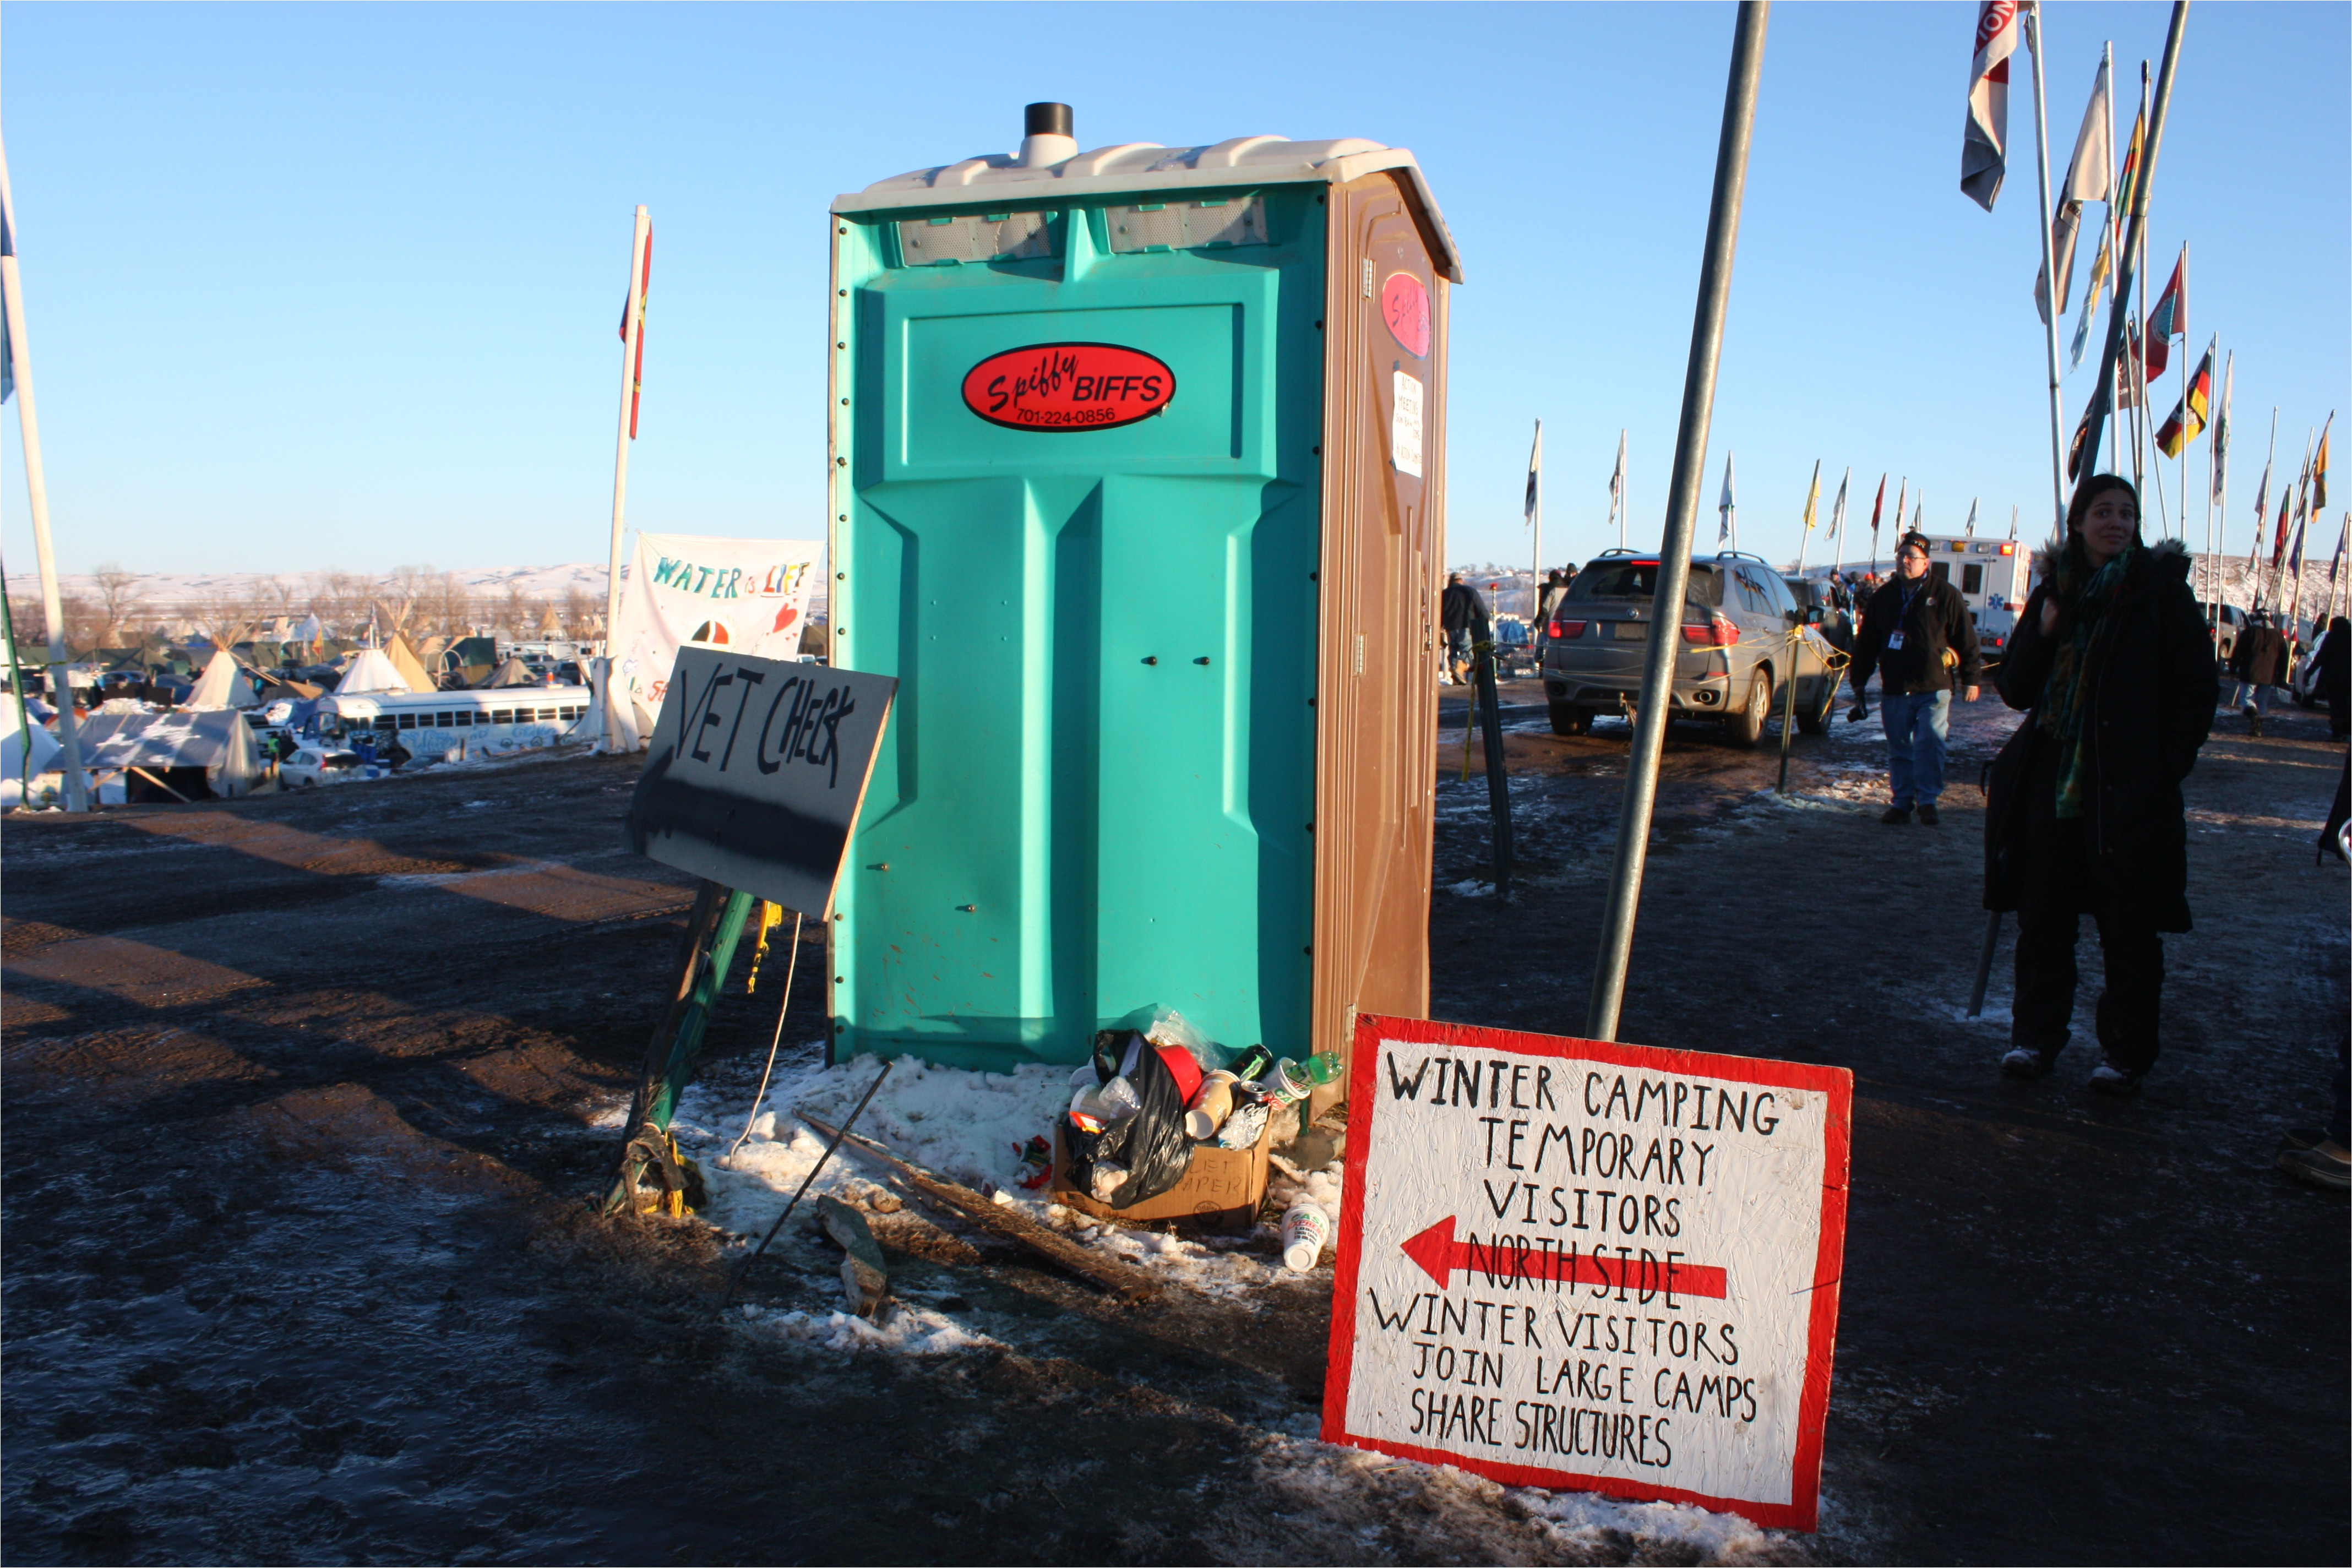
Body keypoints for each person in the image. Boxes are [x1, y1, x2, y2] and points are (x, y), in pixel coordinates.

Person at [1983, 475, 2217, 1097]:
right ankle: (2034, 1039)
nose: (2116, 523)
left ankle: (2126, 1053)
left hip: (2129, 790)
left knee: (2128, 926)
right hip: (2052, 783)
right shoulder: (2055, 592)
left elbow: (2197, 688)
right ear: (2079, 521)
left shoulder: (2161, 594)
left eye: (2126, 513)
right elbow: (2016, 689)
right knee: (2043, 919)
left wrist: (2166, 764)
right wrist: (2044, 630)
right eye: (2103, 512)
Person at [1846, 532, 1983, 825]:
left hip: (1934, 684)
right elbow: (1868, 641)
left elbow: (1967, 639)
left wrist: (1972, 678)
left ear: (1926, 562)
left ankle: (1928, 801)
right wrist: (1858, 677)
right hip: (1896, 684)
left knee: (1929, 744)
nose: (1904, 561)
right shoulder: (1884, 597)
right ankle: (1902, 802)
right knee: (1899, 746)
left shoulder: (1945, 594)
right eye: (1900, 556)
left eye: (1911, 557)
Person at [2228, 609, 2286, 737]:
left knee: (2246, 699)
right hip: (2268, 675)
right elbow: (2284, 658)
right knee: (2262, 701)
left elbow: (2238, 652)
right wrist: (2281, 677)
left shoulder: (2249, 632)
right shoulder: (2278, 636)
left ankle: (2253, 718)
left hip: (2250, 673)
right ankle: (2258, 728)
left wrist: (2233, 669)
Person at [1441, 572, 1488, 685]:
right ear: (1461, 581)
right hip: (1465, 625)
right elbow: (1481, 610)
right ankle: (1459, 670)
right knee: (1468, 650)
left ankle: (1456, 675)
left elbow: (1439, 613)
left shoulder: (1444, 594)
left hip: (1450, 627)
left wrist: (1440, 627)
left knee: (1453, 650)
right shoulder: (1469, 591)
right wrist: (1485, 621)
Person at [2314, 614, 2350, 739]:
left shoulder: (2332, 637)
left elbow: (2321, 656)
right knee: (2347, 706)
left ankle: (2338, 732)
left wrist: (2311, 671)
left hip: (2333, 679)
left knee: (2335, 706)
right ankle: (2346, 730)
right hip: (2349, 680)